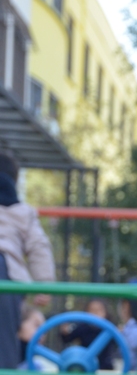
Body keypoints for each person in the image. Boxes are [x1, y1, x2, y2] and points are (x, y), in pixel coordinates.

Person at [0, 152, 55, 368]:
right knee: (5, 341)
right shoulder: (22, 212)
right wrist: (44, 283)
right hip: (6, 274)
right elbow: (38, 246)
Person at [59, 298, 118, 370]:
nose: (95, 313)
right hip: (85, 366)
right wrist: (65, 333)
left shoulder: (109, 330)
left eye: (99, 310)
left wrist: (119, 333)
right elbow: (68, 339)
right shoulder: (82, 327)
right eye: (92, 310)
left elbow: (117, 343)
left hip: (105, 367)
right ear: (86, 313)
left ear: (106, 313)